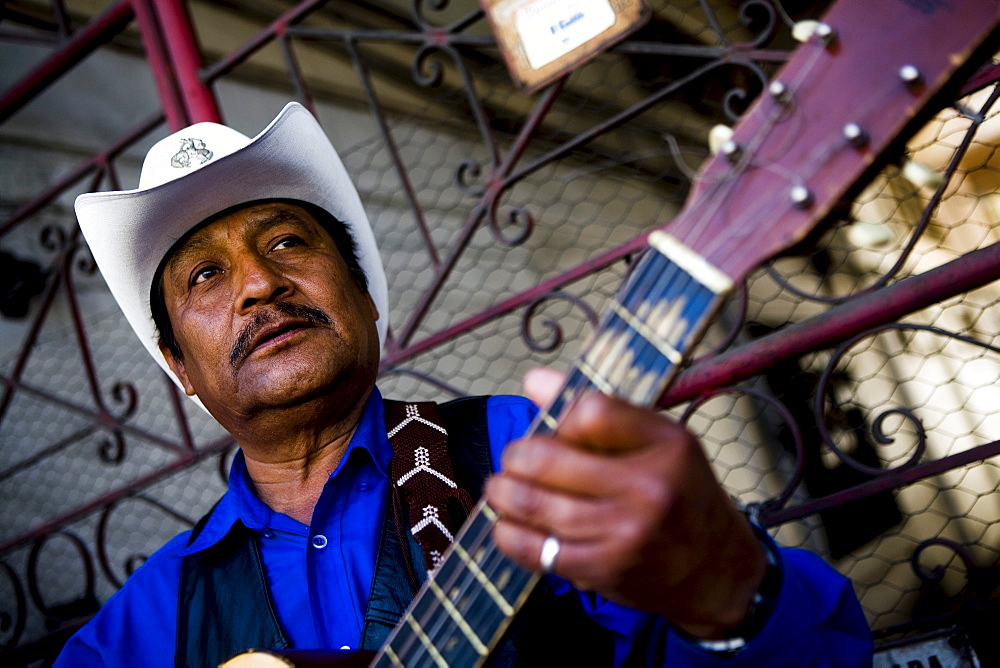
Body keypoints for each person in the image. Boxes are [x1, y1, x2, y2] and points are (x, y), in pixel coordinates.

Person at [56, 102, 871, 666]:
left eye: (287, 243)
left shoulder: (526, 452)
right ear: (179, 370)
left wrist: (724, 587)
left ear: (367, 300)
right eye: (206, 275)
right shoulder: (140, 630)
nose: (260, 286)